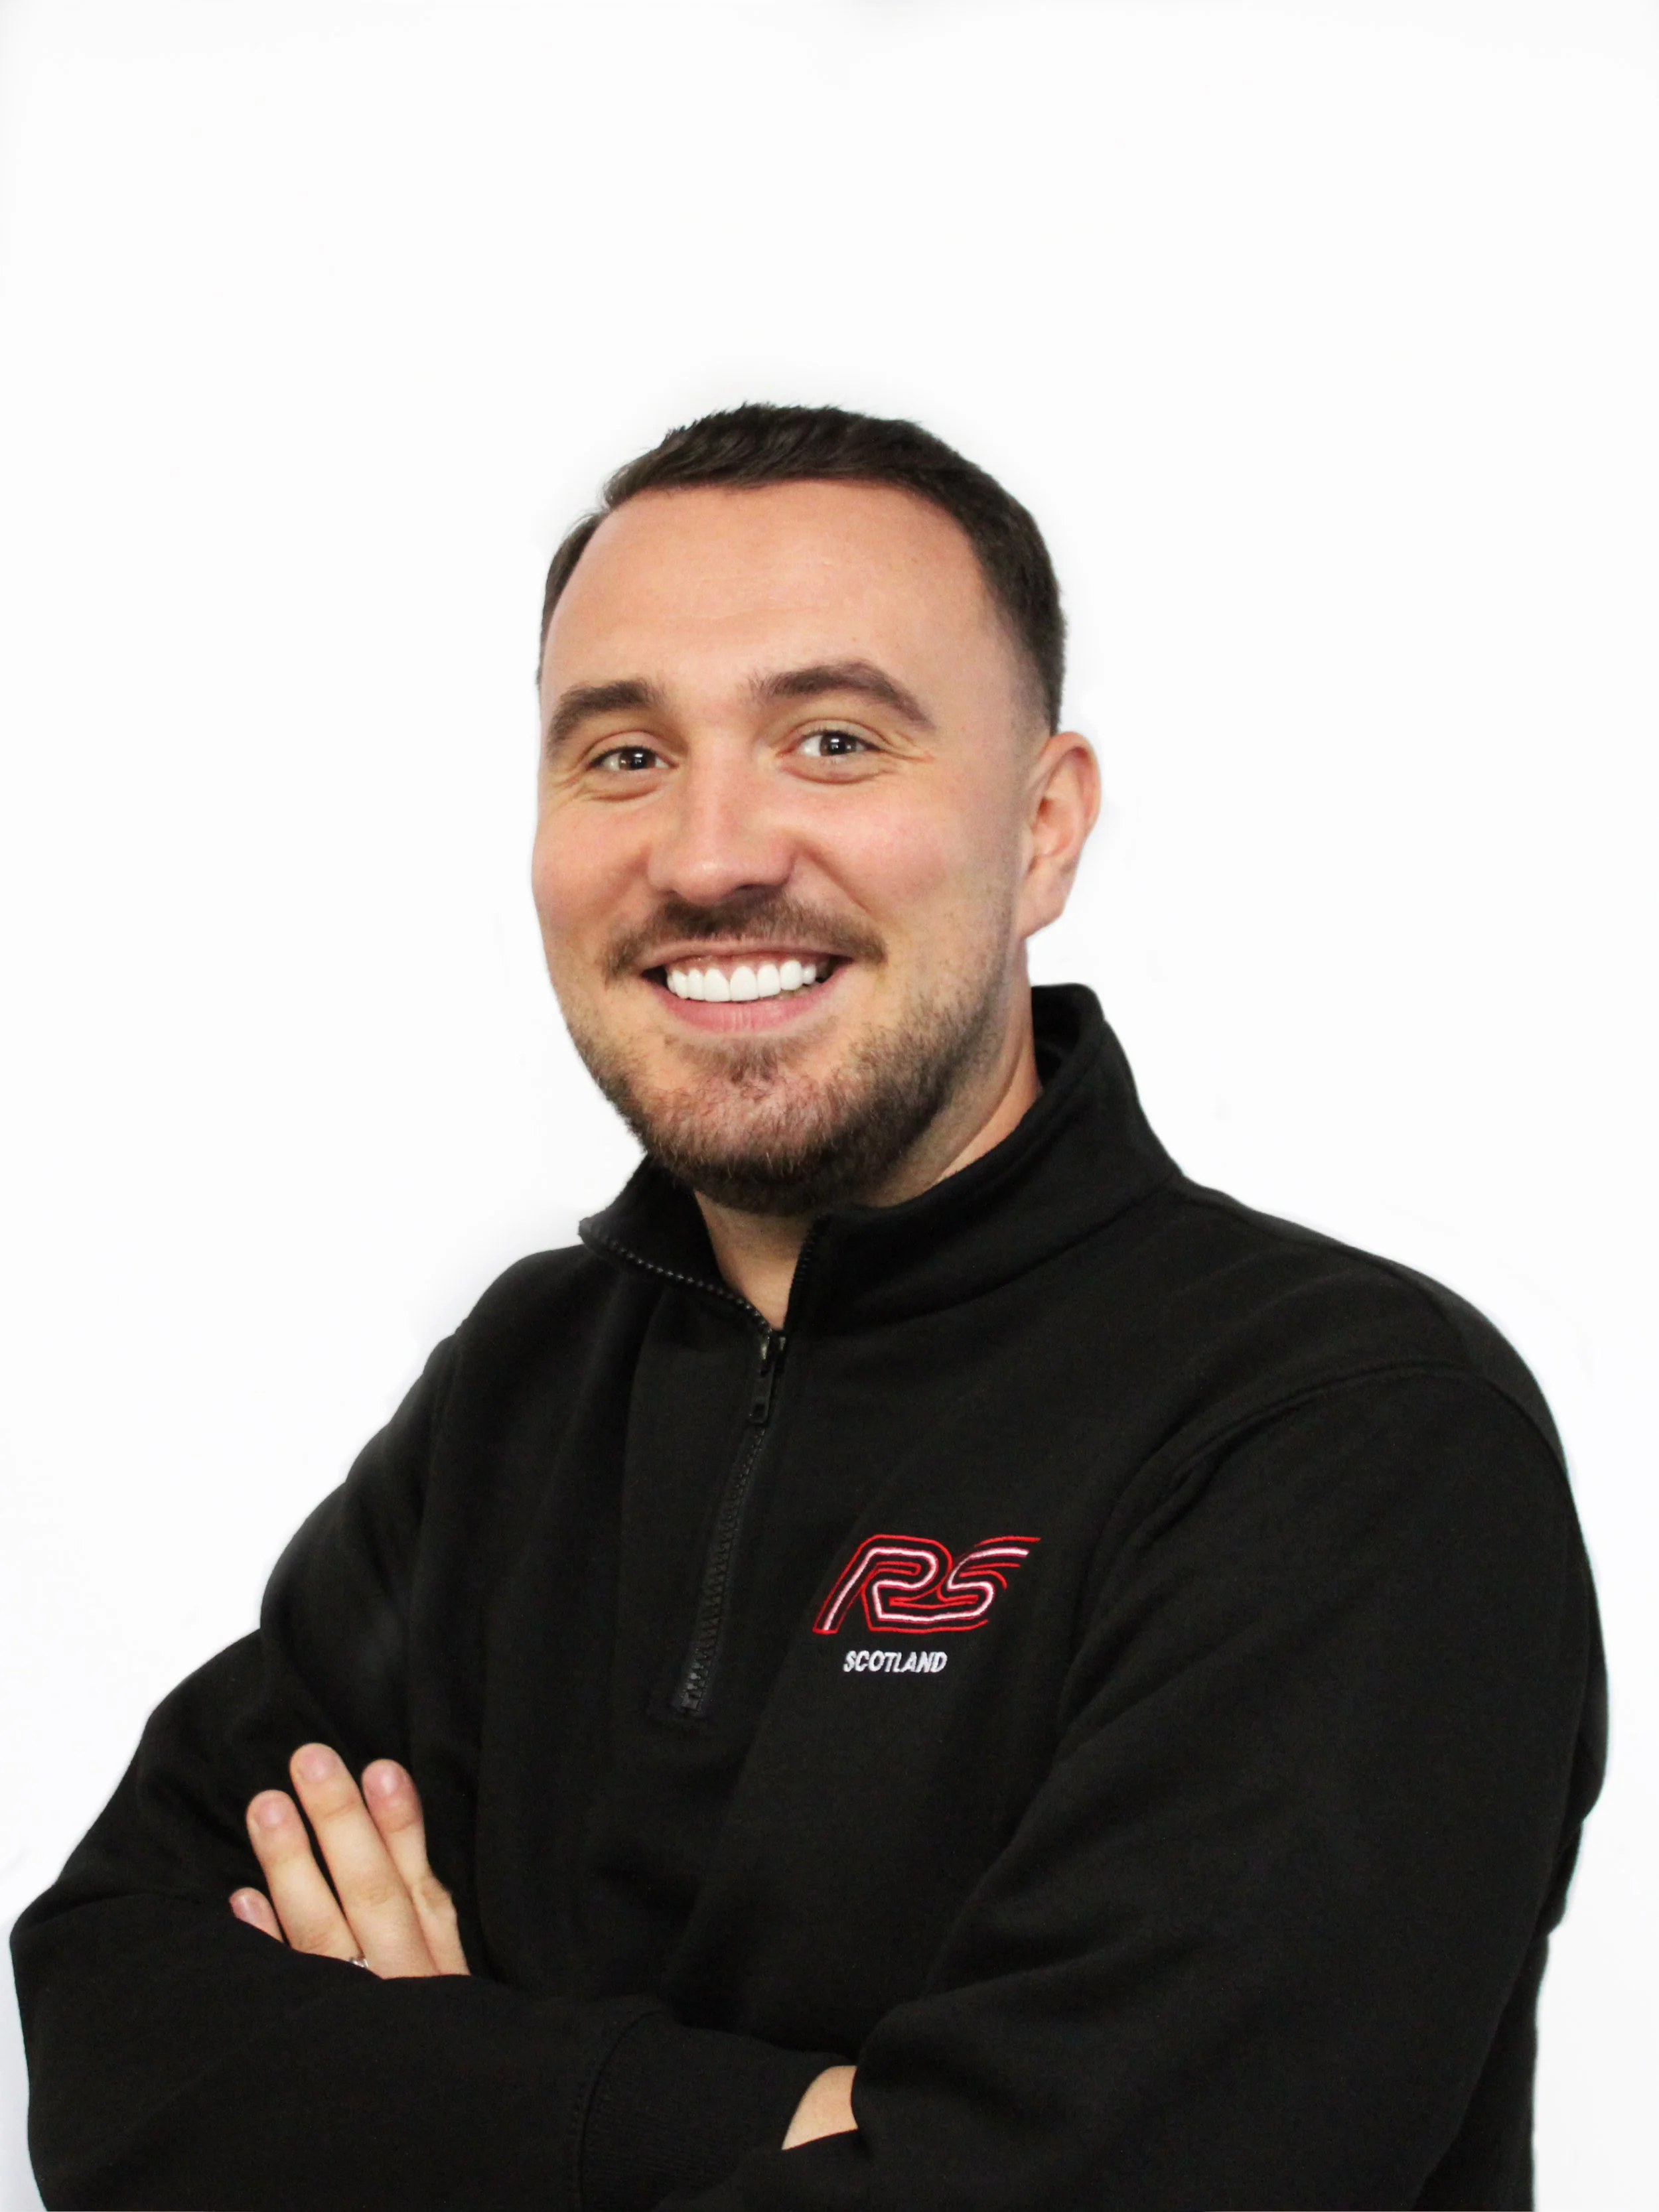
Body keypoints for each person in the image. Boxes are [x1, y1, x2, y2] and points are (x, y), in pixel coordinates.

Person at [12, 404, 1604, 2212]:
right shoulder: (517, 1396)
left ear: (1043, 828)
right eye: (619, 754)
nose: (708, 854)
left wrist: (421, 2094)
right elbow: (111, 2033)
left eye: (831, 739)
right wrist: (779, 2122)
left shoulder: (1342, 1437)